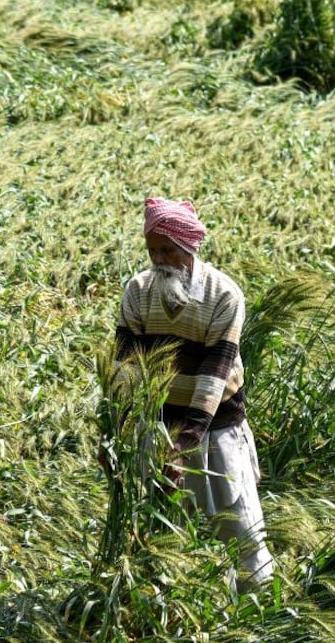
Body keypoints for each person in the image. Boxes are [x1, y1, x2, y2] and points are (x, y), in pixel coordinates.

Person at [112, 196, 274, 591]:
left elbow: (214, 374)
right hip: (160, 424)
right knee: (165, 524)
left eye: (166, 248)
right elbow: (125, 366)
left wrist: (184, 446)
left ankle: (258, 600)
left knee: (237, 523)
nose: (158, 258)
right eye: (151, 249)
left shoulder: (224, 295)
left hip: (216, 429)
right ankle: (177, 599)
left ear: (188, 246)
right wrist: (117, 431)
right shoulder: (137, 291)